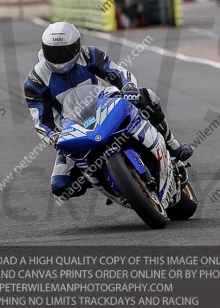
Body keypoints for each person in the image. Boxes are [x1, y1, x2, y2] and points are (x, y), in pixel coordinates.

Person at [23, 22, 193, 199]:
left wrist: (127, 86)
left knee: (146, 96)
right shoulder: (35, 81)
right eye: (53, 52)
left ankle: (172, 144)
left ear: (76, 47)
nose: (59, 58)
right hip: (71, 128)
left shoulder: (89, 54)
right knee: (60, 186)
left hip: (102, 105)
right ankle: (109, 182)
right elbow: (41, 122)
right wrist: (52, 135)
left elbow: (117, 72)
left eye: (64, 52)